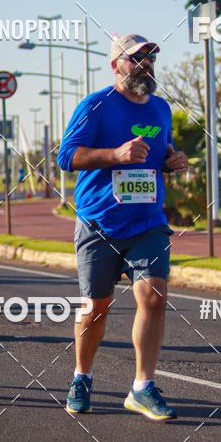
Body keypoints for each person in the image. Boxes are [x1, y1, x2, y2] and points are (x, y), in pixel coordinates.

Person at [57, 34, 189, 421]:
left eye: (150, 59)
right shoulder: (95, 105)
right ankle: (82, 377)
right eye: (137, 59)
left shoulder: (161, 109)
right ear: (117, 65)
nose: (146, 65)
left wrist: (171, 160)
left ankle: (142, 387)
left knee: (154, 297)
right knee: (96, 309)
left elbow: (160, 152)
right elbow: (67, 156)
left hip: (147, 221)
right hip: (99, 221)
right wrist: (114, 155)